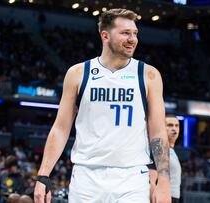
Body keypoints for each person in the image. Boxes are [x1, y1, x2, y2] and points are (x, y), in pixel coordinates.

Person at [34, 8, 171, 203]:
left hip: (132, 177)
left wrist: (164, 182)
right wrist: (43, 175)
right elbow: (61, 128)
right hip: (86, 177)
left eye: (135, 33)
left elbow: (158, 131)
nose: (133, 39)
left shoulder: (148, 75)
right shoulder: (78, 73)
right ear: (105, 35)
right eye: (125, 33)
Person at [149, 115, 182, 203]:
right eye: (170, 125)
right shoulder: (159, 150)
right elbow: (151, 181)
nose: (174, 129)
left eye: (176, 125)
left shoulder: (172, 151)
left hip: (174, 198)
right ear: (163, 128)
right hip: (164, 198)